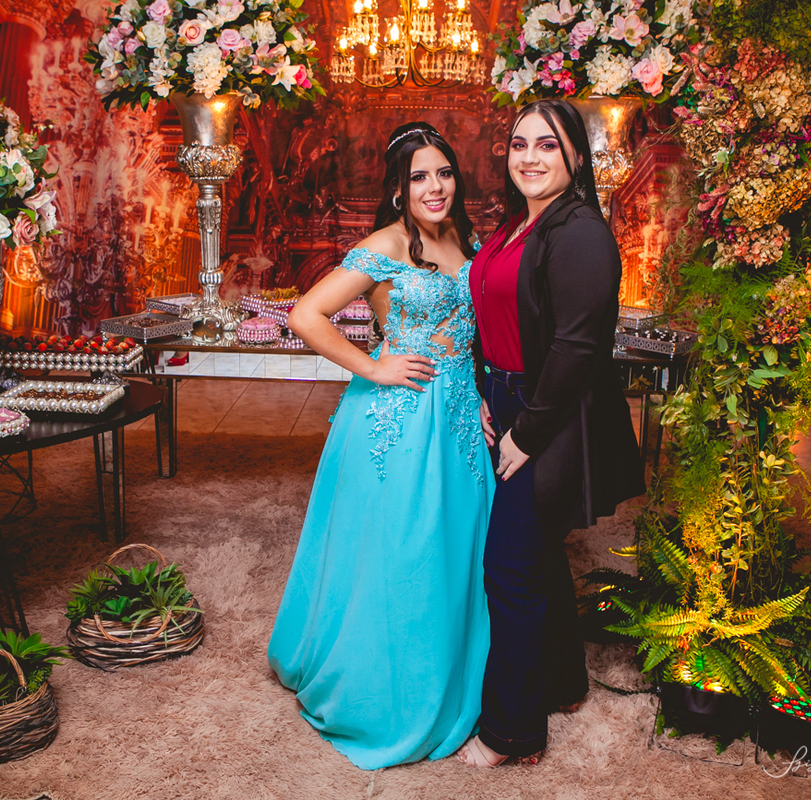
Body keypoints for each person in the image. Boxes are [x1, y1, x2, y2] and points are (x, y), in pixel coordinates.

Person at [267, 122, 493, 770]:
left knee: (455, 550)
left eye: (443, 173)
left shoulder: (466, 241)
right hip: (399, 421)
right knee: (401, 553)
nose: (434, 187)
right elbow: (305, 315)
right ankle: (388, 696)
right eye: (419, 177)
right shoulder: (384, 245)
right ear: (398, 190)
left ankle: (455, 677)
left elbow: (473, 333)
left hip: (459, 421)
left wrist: (480, 394)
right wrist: (374, 366)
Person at [458, 99, 645, 767]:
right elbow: (494, 316)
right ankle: (564, 683)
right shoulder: (519, 223)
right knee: (536, 555)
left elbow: (576, 348)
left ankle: (512, 733)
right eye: (519, 144)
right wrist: (483, 389)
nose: (530, 156)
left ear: (576, 157)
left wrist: (526, 433)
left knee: (509, 566)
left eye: (547, 144)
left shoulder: (581, 232)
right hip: (507, 397)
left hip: (546, 414)